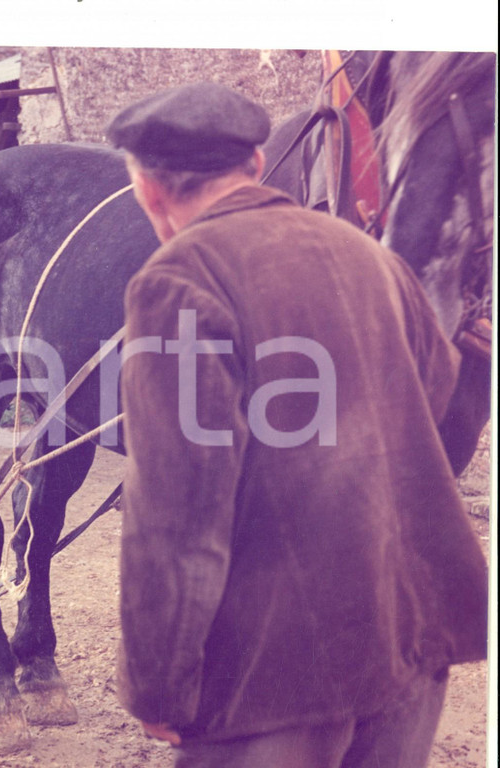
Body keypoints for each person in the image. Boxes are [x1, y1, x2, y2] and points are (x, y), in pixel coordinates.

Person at [105, 83, 488, 767]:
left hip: (278, 682)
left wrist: (159, 687)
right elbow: (435, 418)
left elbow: (179, 515)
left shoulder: (178, 280)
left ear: (147, 192)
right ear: (257, 164)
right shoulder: (373, 258)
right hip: (410, 643)